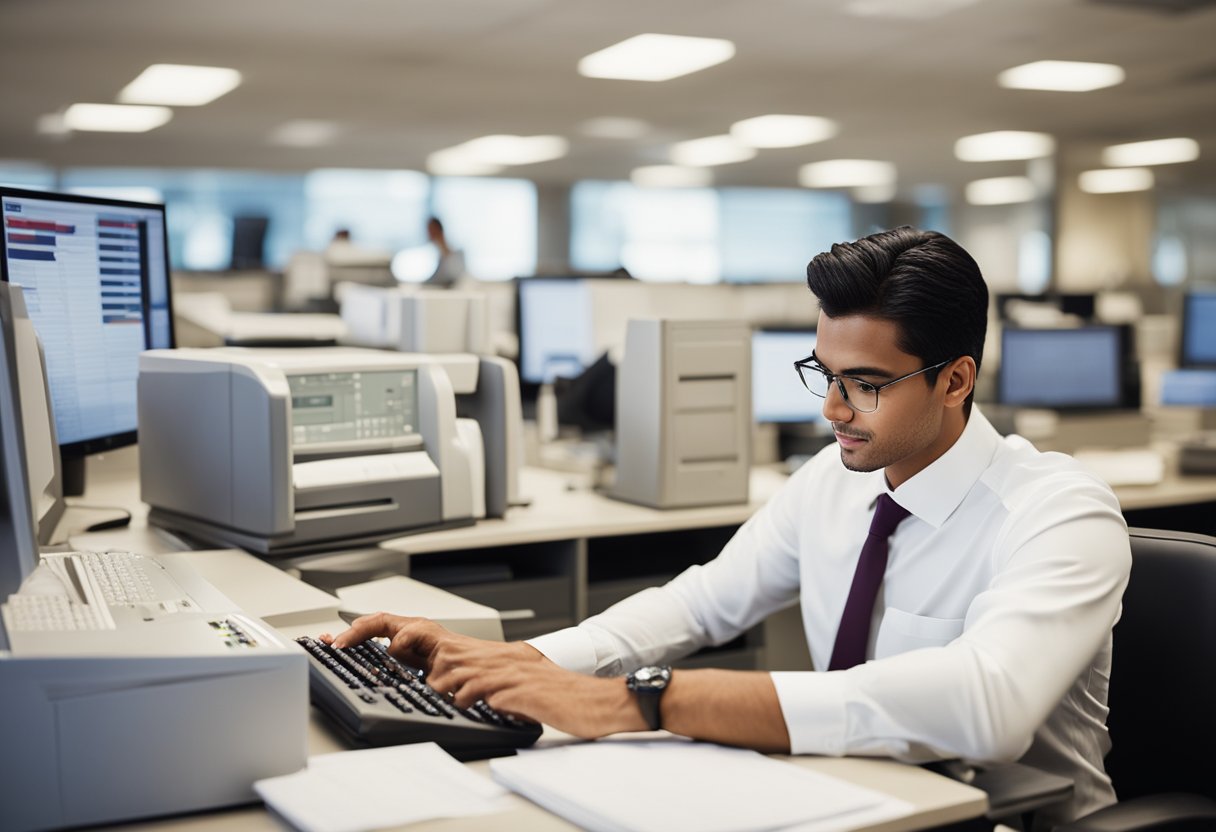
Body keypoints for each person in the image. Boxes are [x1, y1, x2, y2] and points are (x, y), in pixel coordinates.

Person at [326, 227, 1130, 826]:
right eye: (823, 372)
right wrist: (517, 663)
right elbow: (699, 605)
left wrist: (643, 703)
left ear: (957, 380)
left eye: (866, 384)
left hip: (1015, 821)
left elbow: (988, 706)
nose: (831, 408)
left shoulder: (1060, 512)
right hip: (864, 801)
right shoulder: (831, 482)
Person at [423, 216, 466, 288]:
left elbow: (453, 277)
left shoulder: (456, 253)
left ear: (437, 230)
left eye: (430, 230)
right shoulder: (439, 252)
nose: (428, 234)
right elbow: (435, 279)